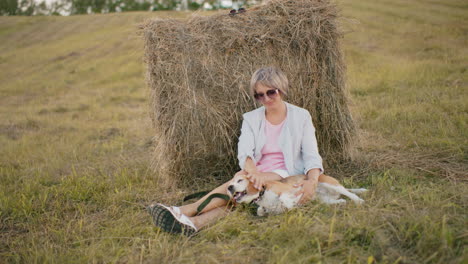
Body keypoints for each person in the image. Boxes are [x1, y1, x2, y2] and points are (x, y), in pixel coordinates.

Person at [148, 67, 323, 236]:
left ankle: (186, 210)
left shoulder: (301, 116)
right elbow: (245, 150)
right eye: (259, 95)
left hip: (286, 172)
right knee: (238, 196)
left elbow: (311, 154)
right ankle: (194, 224)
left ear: (282, 89)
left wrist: (312, 181)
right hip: (258, 170)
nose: (266, 99)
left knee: (241, 182)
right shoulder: (251, 118)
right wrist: (253, 171)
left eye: (271, 92)